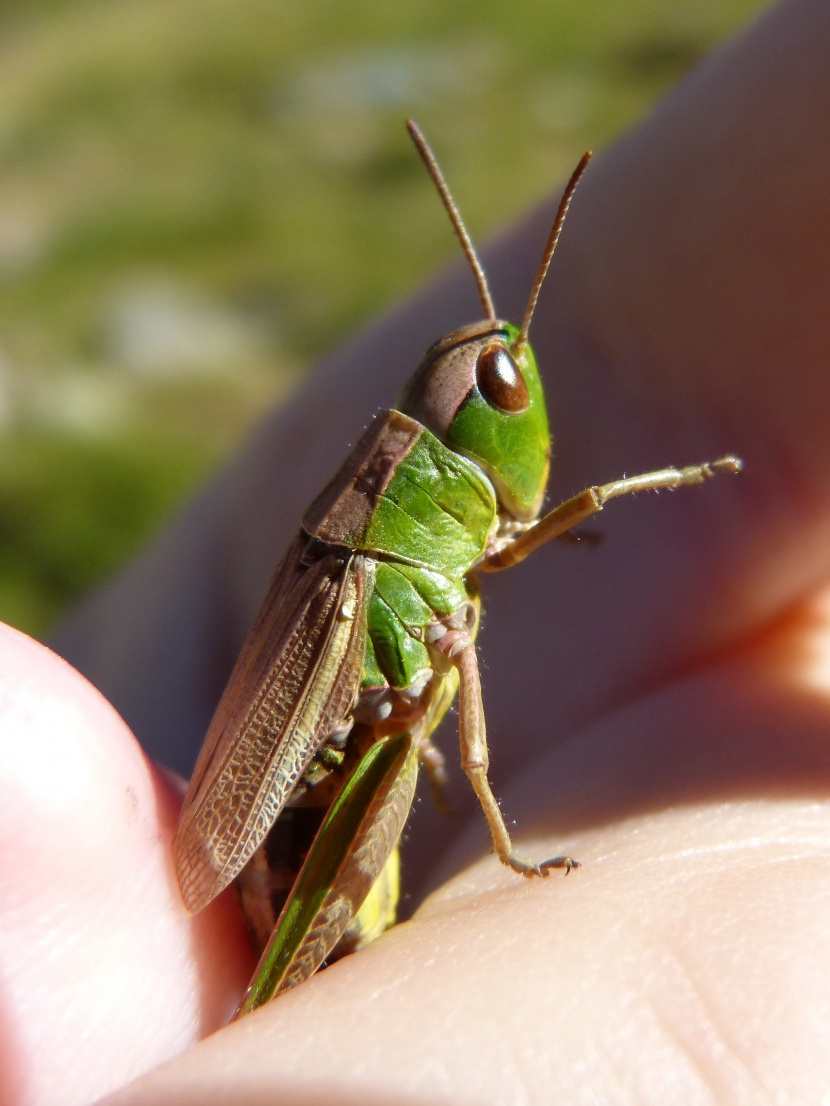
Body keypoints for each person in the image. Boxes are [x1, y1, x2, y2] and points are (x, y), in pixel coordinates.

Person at [5, 0, 830, 1100]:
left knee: (434, 664)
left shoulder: (403, 501)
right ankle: (356, 921)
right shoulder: (378, 543)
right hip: (300, 812)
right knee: (426, 690)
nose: (519, 395)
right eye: (491, 386)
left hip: (342, 725)